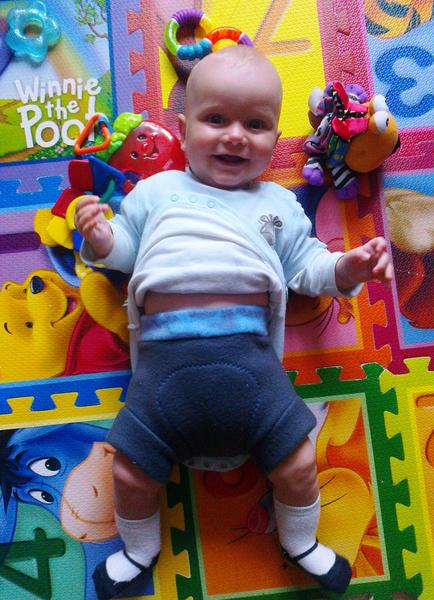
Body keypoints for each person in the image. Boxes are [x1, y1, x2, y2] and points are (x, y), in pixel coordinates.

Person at [75, 45, 393, 599]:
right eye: (216, 119)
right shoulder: (158, 192)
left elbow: (308, 268)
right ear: (183, 129)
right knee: (128, 472)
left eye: (256, 125)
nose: (235, 136)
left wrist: (348, 267)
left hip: (252, 372)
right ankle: (139, 551)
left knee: (298, 463)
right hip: (162, 377)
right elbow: (124, 253)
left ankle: (300, 542)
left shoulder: (277, 205)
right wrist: (101, 238)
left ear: (276, 138)